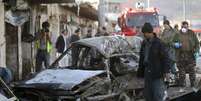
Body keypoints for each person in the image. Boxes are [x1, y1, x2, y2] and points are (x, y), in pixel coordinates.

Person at [137, 22, 171, 101]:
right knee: (148, 95)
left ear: (150, 32)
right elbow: (141, 58)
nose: (144, 35)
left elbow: (165, 59)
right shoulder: (144, 43)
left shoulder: (159, 43)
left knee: (158, 95)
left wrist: (166, 72)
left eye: (145, 33)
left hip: (157, 74)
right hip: (147, 73)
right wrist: (140, 72)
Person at [173, 21, 200, 89]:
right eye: (183, 27)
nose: (184, 28)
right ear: (181, 27)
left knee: (192, 71)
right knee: (182, 73)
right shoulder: (177, 34)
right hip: (181, 55)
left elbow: (197, 43)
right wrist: (175, 44)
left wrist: (196, 51)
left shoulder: (191, 33)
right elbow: (172, 42)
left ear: (188, 27)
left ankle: (193, 86)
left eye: (186, 27)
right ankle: (182, 86)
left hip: (190, 55)